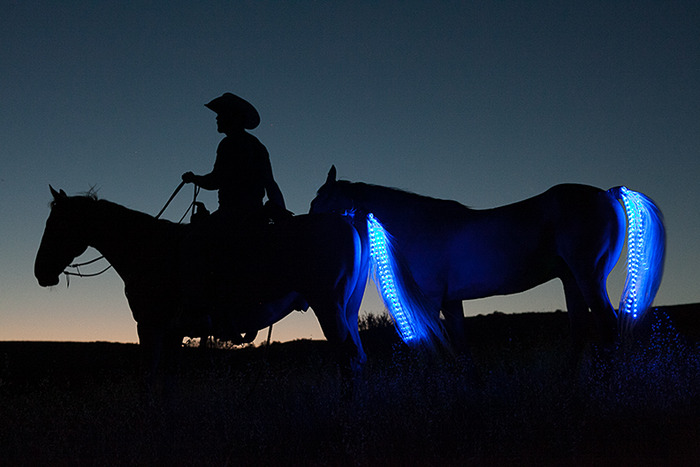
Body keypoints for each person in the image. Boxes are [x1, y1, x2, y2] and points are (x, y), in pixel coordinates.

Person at [182, 92, 286, 227]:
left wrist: (193, 178)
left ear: (232, 117)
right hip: (255, 213)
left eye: (221, 114)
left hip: (232, 214)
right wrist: (282, 212)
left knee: (192, 241)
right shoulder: (257, 145)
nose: (217, 118)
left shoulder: (229, 143)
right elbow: (270, 182)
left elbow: (216, 180)